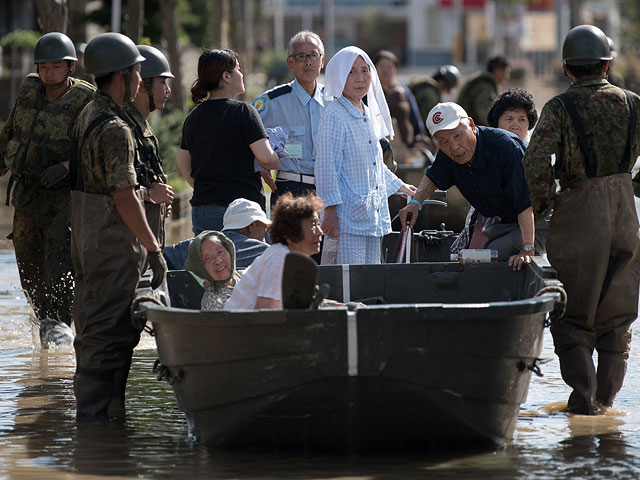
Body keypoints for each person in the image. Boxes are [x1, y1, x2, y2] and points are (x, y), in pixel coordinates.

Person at [523, 25, 640, 414]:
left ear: (567, 68)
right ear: (607, 64)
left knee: (573, 315)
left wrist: (545, 203)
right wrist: (632, 186)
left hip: (577, 211)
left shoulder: (558, 108)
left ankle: (583, 403)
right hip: (625, 213)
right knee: (618, 314)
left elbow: (535, 163)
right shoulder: (634, 103)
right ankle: (607, 409)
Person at [70, 32, 167, 422]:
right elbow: (124, 197)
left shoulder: (87, 114)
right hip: (111, 250)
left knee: (99, 333)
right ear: (122, 75)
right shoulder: (115, 128)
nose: (143, 82)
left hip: (90, 245)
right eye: (139, 74)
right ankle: (96, 432)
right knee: (108, 339)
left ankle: (105, 432)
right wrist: (156, 251)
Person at [0, 32, 95, 339]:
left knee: (60, 268)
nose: (49, 72)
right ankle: (45, 327)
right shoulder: (29, 89)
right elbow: (11, 130)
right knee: (29, 268)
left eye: (56, 66)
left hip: (63, 200)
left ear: (71, 67)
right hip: (27, 196)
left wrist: (68, 166)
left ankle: (62, 332)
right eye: (44, 66)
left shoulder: (87, 99)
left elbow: (99, 148)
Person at [398, 102, 546, 267]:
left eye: (457, 135)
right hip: (500, 222)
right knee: (465, 253)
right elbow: (433, 177)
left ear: (472, 125)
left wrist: (527, 249)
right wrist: (415, 203)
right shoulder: (447, 154)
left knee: (495, 252)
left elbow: (526, 204)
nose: (454, 147)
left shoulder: (506, 148)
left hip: (537, 220)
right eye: (444, 141)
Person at [315, 46, 416, 264]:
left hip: (371, 214)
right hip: (347, 218)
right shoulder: (334, 115)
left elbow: (375, 163)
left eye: (364, 70)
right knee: (352, 283)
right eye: (351, 72)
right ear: (339, 76)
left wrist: (400, 187)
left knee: (372, 279)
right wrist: (330, 212)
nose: (360, 78)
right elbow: (326, 167)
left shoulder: (366, 111)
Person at [178, 49, 279, 234]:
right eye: (238, 69)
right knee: (247, 261)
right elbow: (265, 158)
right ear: (226, 76)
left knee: (209, 261)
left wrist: (208, 188)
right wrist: (279, 156)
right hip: (243, 211)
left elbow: (183, 165)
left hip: (203, 208)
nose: (241, 74)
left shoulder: (193, 117)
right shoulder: (243, 112)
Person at [451, 88, 539, 254]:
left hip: (525, 225)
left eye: (522, 119)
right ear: (497, 122)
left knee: (493, 250)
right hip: (492, 222)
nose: (516, 125)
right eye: (509, 118)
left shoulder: (532, 154)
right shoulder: (481, 150)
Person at [252, 31, 329, 205]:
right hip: (290, 189)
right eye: (301, 56)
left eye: (313, 55)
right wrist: (261, 168)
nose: (308, 61)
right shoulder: (272, 101)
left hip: (329, 190)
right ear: (290, 63)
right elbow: (247, 134)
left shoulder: (335, 101)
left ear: (322, 61)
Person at [225, 192, 323, 309]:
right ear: (290, 234)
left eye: (318, 224)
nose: (320, 232)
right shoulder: (280, 258)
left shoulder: (284, 256)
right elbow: (264, 313)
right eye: (313, 224)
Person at [124, 45, 175, 246]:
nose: (168, 90)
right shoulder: (122, 126)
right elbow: (111, 188)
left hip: (143, 237)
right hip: (126, 242)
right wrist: (151, 196)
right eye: (162, 82)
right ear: (143, 85)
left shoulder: (142, 125)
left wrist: (159, 201)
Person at [163, 197, 270, 270]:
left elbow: (162, 255)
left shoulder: (194, 244)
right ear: (251, 226)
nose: (264, 236)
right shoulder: (263, 250)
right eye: (264, 228)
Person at [373, 49, 428, 149]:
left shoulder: (404, 92)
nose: (385, 70)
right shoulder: (369, 93)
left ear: (395, 70)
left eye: (390, 67)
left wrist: (420, 139)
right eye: (382, 66)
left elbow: (415, 118)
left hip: (405, 147)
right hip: (379, 147)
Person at [184, 231, 241, 310]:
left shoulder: (247, 275)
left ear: (230, 251)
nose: (218, 261)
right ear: (201, 270)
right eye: (208, 259)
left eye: (220, 252)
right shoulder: (213, 302)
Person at [457, 55, 510, 126]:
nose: (507, 76)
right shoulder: (485, 86)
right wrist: (498, 127)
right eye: (505, 72)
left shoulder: (484, 84)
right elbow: (483, 114)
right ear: (497, 70)